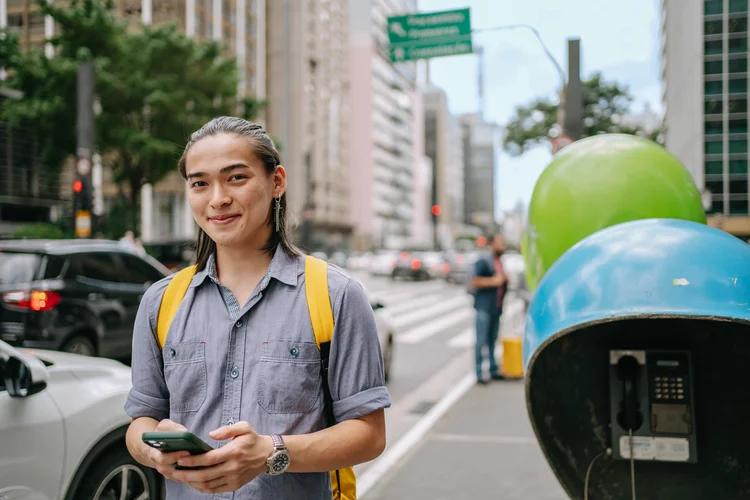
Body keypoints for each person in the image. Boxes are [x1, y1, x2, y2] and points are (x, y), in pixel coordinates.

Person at [124, 116, 390, 498]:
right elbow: (140, 422)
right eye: (200, 183)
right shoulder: (160, 302)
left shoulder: (336, 296)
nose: (217, 199)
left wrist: (272, 452)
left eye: (236, 178)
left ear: (276, 182)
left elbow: (369, 435)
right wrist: (151, 449)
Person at [470, 232, 509, 384]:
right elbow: (474, 281)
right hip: (484, 306)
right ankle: (480, 373)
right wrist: (495, 281)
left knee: (493, 340)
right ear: (492, 243)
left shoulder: (499, 261)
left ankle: (493, 369)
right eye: (500, 242)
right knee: (481, 341)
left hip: (496, 307)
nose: (503, 245)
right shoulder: (483, 261)